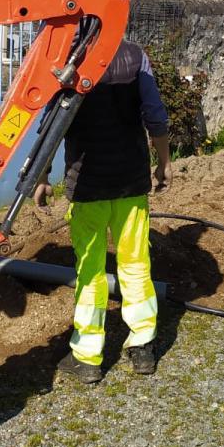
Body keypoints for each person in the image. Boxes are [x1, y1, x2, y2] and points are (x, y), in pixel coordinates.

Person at [35, 39, 171, 383]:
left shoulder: (69, 61)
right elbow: (155, 115)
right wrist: (164, 163)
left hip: (88, 186)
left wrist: (42, 175)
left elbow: (53, 123)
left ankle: (87, 357)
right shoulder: (136, 57)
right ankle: (142, 348)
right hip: (131, 183)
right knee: (136, 265)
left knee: (90, 271)